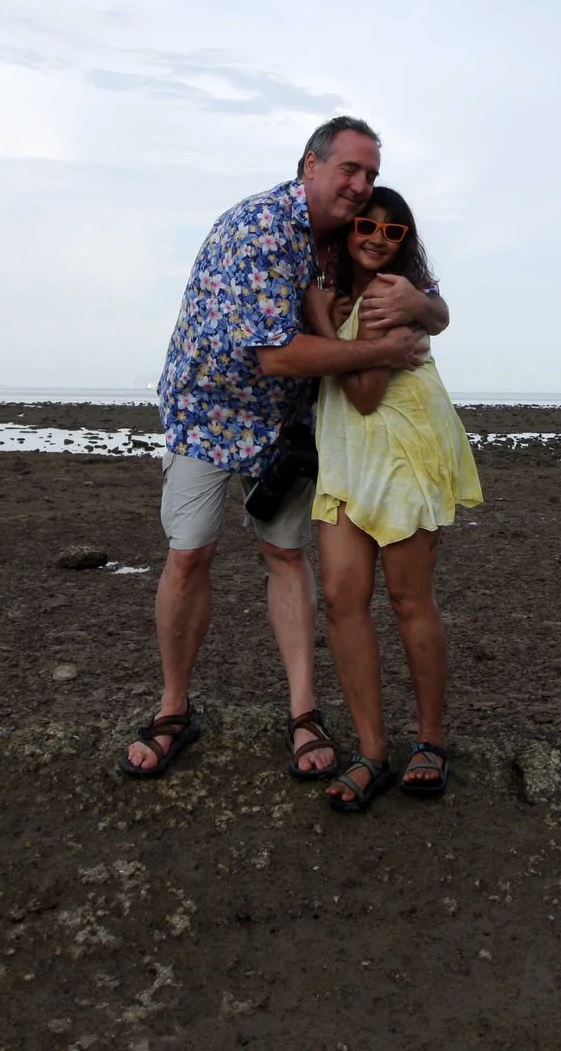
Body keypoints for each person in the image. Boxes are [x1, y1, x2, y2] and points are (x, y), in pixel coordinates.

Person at [123, 117, 449, 780]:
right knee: (189, 555)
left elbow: (432, 306)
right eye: (349, 169)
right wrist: (383, 351)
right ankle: (173, 708)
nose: (361, 186)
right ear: (310, 165)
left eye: (371, 174)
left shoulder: (350, 240)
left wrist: (419, 309)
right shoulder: (262, 228)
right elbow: (274, 355)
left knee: (285, 554)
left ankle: (304, 711)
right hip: (208, 410)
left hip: (288, 420)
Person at [300, 186, 482, 811]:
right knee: (341, 600)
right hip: (349, 456)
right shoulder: (348, 292)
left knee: (408, 600)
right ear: (346, 231)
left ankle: (430, 740)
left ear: (406, 242)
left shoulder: (388, 297)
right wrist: (332, 313)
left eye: (392, 230)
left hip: (403, 452)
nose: (377, 238)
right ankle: (372, 752)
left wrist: (322, 322)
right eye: (366, 226)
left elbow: (364, 393)